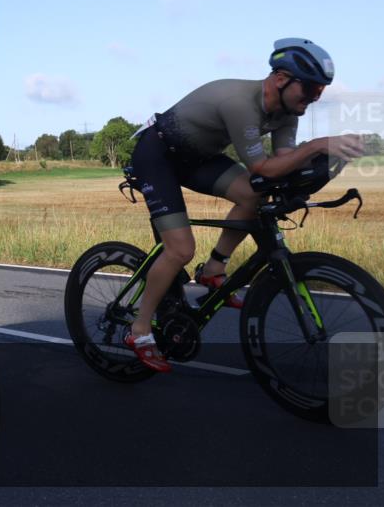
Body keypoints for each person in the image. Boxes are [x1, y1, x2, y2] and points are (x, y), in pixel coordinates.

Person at [126, 38, 364, 372]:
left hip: (198, 158)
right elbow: (262, 168)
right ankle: (139, 331)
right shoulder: (240, 103)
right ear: (281, 78)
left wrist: (326, 158)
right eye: (310, 90)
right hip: (158, 154)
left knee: (254, 194)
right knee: (179, 250)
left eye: (320, 93)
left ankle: (214, 270)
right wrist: (316, 145)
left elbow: (283, 162)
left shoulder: (287, 113)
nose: (313, 100)